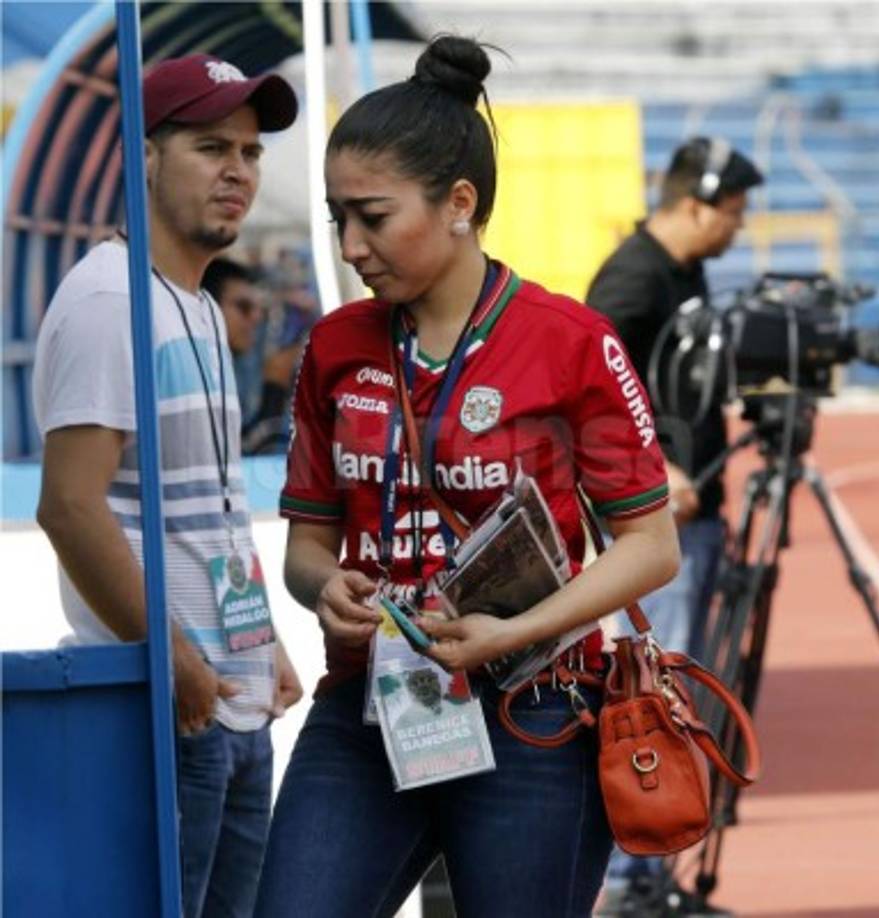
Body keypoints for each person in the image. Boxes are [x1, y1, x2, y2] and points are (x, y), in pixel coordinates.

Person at [254, 35, 680, 918]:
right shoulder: (335, 348)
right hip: (368, 706)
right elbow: (307, 543)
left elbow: (649, 548)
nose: (352, 244)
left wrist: (504, 633)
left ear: (459, 203)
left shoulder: (569, 342)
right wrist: (322, 586)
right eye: (339, 218)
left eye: (373, 216)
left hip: (536, 712)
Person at [33, 54, 303, 918]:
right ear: (145, 158)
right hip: (172, 707)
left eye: (252, 153)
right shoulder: (110, 300)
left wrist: (261, 645)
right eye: (210, 146)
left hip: (231, 698)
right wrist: (173, 656)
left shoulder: (189, 301)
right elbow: (70, 507)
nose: (238, 171)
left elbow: (212, 511)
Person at [585, 138, 763, 912]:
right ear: (693, 203)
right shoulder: (631, 277)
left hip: (693, 512)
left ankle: (655, 870)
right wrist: (652, 464)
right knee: (657, 693)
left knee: (677, 691)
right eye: (730, 213)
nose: (736, 228)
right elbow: (588, 385)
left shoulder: (683, 270)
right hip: (657, 519)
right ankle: (633, 875)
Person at [202, 256, 306, 454]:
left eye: (259, 309)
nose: (256, 318)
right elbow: (245, 455)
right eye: (244, 307)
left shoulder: (224, 368)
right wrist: (275, 386)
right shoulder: (201, 375)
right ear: (208, 307)